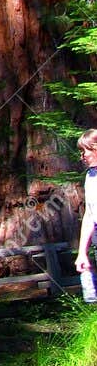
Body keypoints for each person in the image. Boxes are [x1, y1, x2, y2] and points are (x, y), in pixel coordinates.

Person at [74, 128, 97, 299]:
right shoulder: (91, 176)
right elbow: (90, 215)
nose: (82, 156)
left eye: (85, 150)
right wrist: (82, 252)